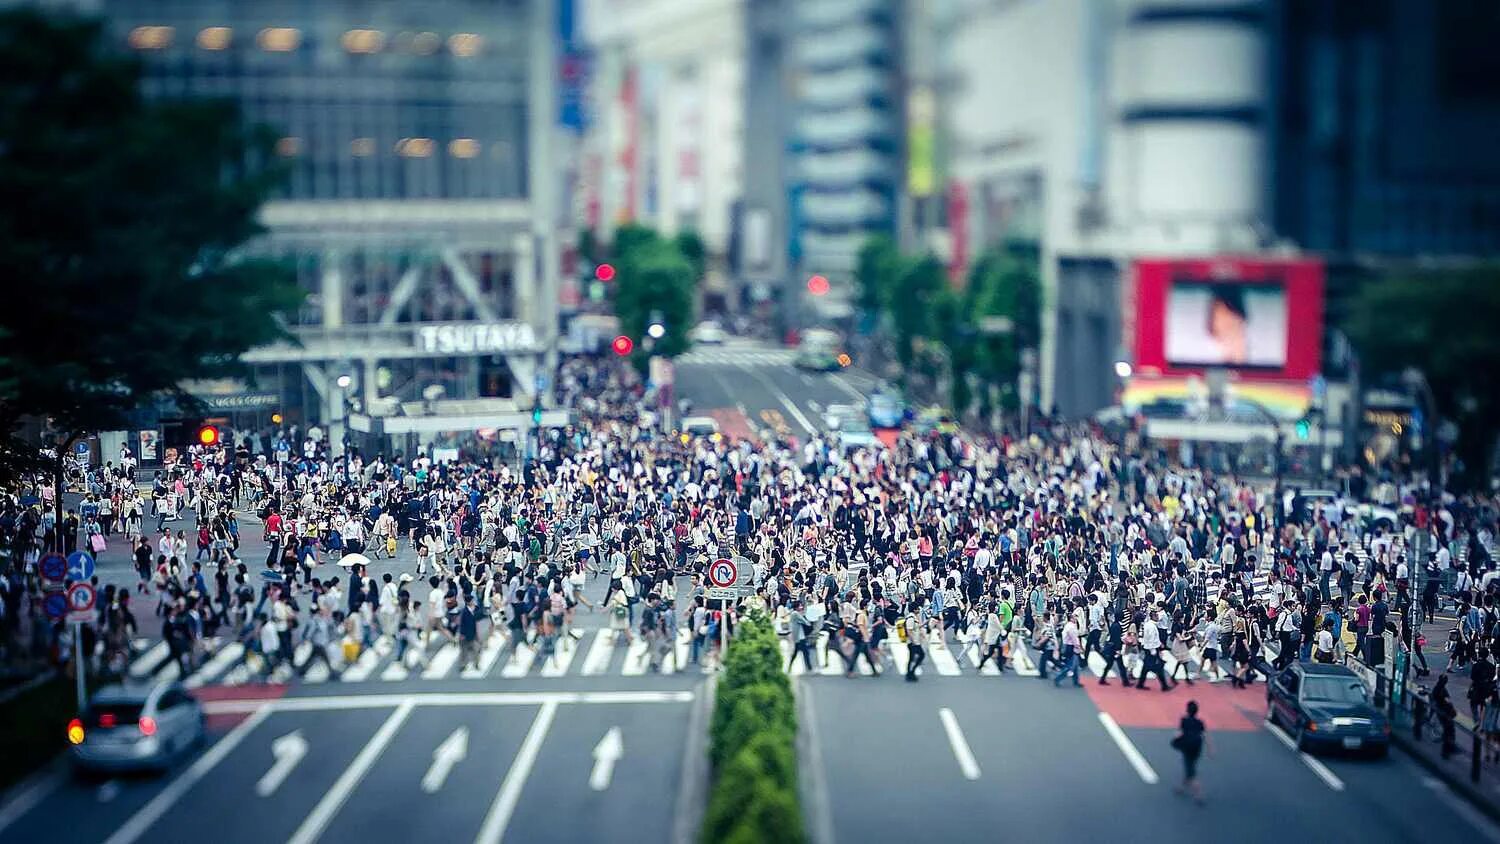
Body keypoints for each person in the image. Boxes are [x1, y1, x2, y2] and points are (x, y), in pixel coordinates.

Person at [1172, 700, 1210, 804]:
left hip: (1187, 748)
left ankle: (1199, 794)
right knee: (1190, 766)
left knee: (1191, 771)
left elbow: (1179, 733)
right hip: (1197, 748)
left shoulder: (1184, 720)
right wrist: (1211, 748)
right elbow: (1205, 735)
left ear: (1187, 710)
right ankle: (1181, 788)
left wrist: (1174, 741)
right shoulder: (1200, 722)